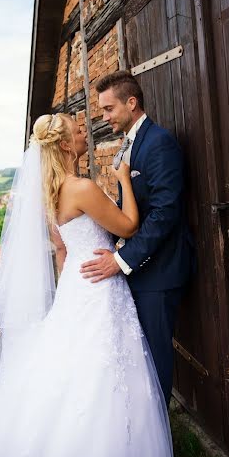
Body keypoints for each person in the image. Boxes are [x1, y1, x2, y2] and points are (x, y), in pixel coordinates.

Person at [0, 112, 174, 457]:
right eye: (78, 129)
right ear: (66, 144)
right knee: (105, 369)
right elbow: (129, 227)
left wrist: (69, 289)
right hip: (99, 286)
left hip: (75, 285)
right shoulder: (81, 188)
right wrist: (124, 181)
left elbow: (63, 251)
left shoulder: (47, 194)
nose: (85, 132)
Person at [80, 71, 194, 408]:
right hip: (141, 267)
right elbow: (130, 208)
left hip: (162, 271)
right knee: (140, 355)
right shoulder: (129, 143)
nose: (104, 117)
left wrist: (120, 260)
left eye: (108, 108)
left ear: (132, 103)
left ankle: (157, 441)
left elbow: (165, 212)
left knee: (156, 358)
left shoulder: (158, 142)